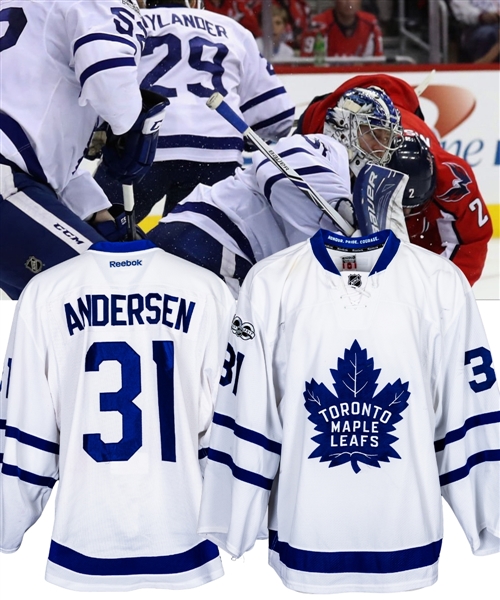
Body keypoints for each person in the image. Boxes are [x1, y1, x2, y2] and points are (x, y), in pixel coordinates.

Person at [0, 0, 168, 300]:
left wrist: (96, 214)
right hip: (6, 179)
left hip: (11, 176)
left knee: (48, 315)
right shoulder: (102, 4)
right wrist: (133, 127)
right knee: (110, 294)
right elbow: (113, 92)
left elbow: (52, 166)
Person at [93, 0, 295, 221]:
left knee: (96, 232)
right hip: (218, 152)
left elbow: (102, 83)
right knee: (196, 247)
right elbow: (278, 117)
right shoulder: (233, 29)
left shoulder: (129, 21)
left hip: (142, 146)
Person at [296, 73, 493, 286]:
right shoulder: (329, 141)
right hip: (340, 114)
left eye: (411, 208)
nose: (405, 214)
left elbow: (472, 241)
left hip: (404, 108)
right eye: (398, 206)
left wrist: (443, 295)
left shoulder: (452, 179)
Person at [146, 133, 353, 297]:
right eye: (374, 134)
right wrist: (338, 204)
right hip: (214, 244)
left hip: (187, 234)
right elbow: (279, 164)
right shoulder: (333, 150)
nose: (382, 146)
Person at [301, 0, 384, 58]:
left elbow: (377, 61)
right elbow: (306, 62)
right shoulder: (318, 24)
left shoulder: (371, 24)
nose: (349, 2)